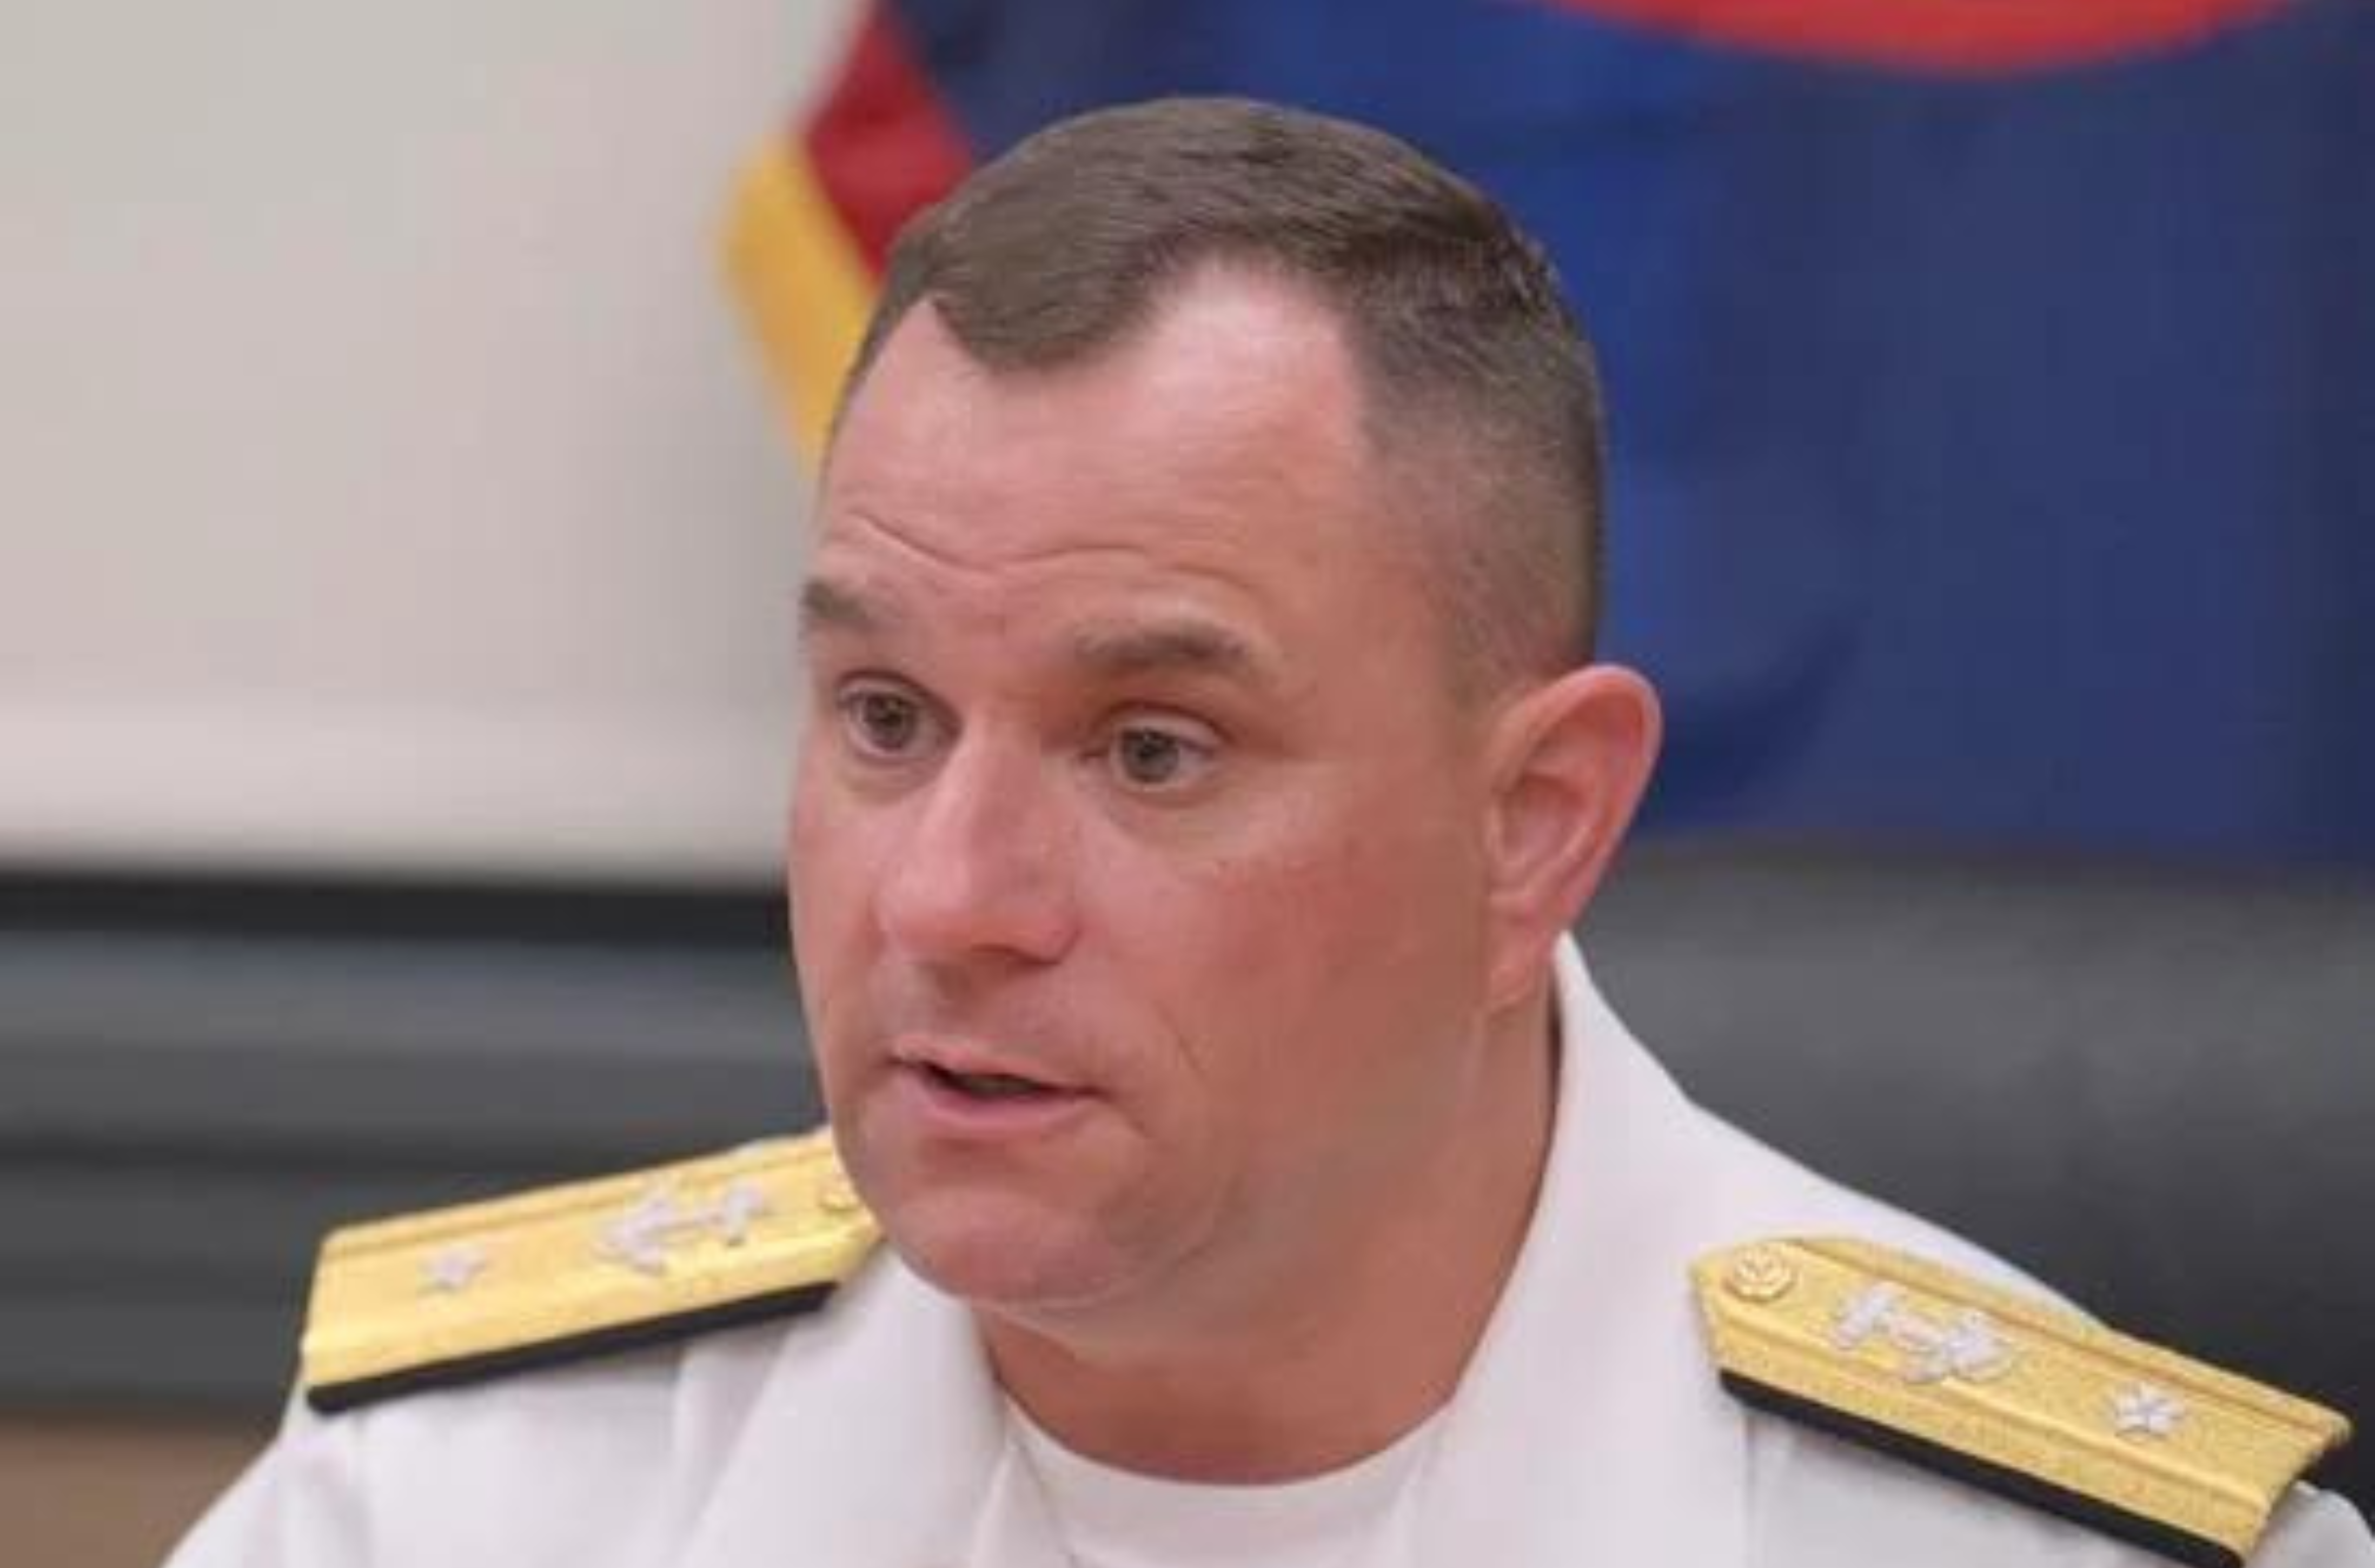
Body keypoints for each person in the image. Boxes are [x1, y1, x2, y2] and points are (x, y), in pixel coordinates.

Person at [165, 97, 2369, 1568]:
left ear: (1535, 826)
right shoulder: (463, 1501)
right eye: (884, 714)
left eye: (1153, 750)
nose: (947, 900)